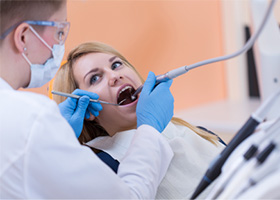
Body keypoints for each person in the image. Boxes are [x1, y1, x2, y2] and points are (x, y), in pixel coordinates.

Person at [0, 1, 175, 199]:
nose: (114, 76)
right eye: (59, 32)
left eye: (116, 65)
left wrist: (56, 133)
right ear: (24, 37)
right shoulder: (32, 120)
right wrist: (150, 129)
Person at [52, 41, 226, 199]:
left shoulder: (198, 132)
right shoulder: (104, 168)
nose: (114, 76)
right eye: (95, 78)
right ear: (87, 110)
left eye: (116, 64)